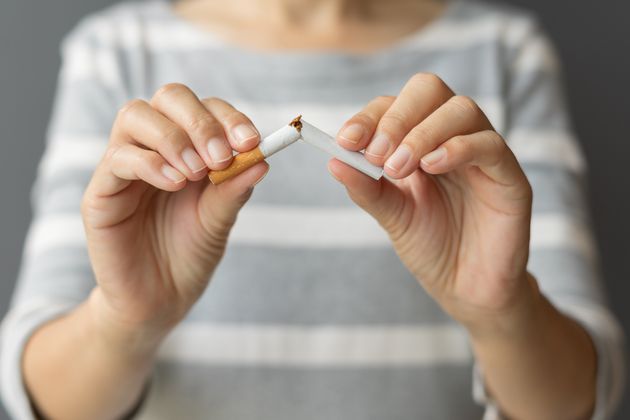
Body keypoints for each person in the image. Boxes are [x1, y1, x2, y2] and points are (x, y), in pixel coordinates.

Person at [0, 0, 625, 418]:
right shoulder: (118, 52)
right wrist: (128, 319)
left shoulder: (503, 52)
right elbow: (34, 393)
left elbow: (585, 397)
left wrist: (501, 312)